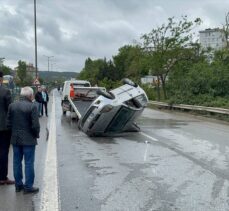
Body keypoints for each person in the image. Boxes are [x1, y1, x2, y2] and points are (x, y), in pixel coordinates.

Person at [7, 86, 40, 194]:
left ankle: (18, 185)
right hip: (29, 139)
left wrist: (13, 134)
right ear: (30, 95)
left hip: (15, 139)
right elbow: (35, 125)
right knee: (29, 163)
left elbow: (8, 123)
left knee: (16, 162)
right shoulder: (32, 106)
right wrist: (36, 135)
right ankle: (28, 187)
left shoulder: (12, 106)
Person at [0, 71, 14, 185]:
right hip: (3, 127)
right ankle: (3, 177)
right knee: (4, 151)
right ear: (1, 79)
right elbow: (10, 109)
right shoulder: (5, 91)